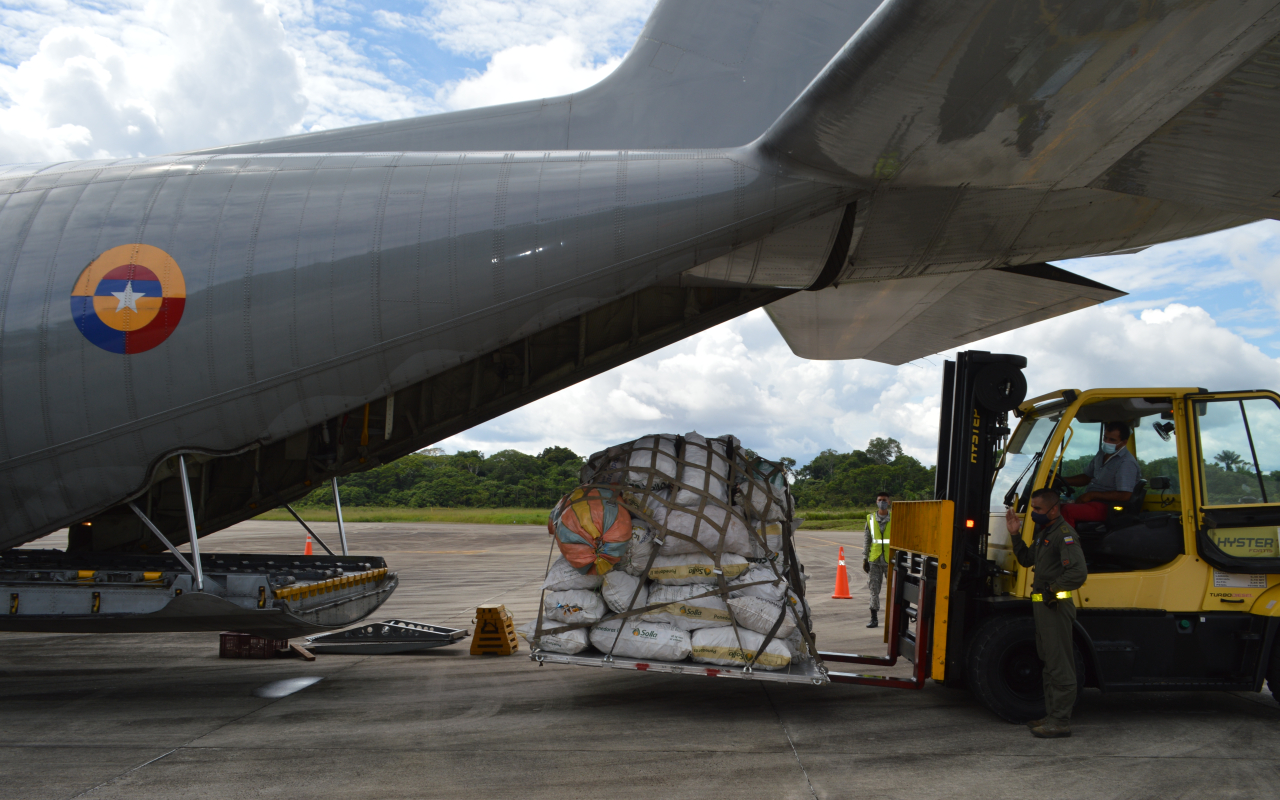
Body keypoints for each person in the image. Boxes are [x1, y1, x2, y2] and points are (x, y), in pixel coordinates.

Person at [1005, 488, 1088, 738]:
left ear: (1053, 509)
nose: (1034, 513)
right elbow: (1027, 559)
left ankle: (1060, 721)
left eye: (1038, 509)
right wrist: (1015, 535)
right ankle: (1052, 716)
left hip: (1056, 607)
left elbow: (1078, 573)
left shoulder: (1065, 535)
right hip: (1043, 607)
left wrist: (1053, 589)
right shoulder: (1045, 534)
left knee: (1060, 664)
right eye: (1033, 509)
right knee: (1049, 663)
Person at [1059, 422, 1140, 527]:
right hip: (1092, 503)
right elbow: (1087, 477)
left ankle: (1067, 542)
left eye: (1112, 440)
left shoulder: (1126, 462)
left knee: (1067, 511)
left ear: (1124, 442)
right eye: (1105, 438)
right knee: (1052, 509)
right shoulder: (1102, 454)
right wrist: (1060, 480)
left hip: (1108, 507)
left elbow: (1125, 495)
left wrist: (1091, 495)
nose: (1106, 442)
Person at [863, 491, 891, 629]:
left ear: (889, 502)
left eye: (884, 500)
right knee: (874, 590)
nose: (882, 502)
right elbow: (867, 540)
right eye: (880, 499)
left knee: (894, 590)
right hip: (874, 560)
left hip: (891, 560)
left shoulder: (895, 518)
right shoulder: (870, 518)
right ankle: (874, 618)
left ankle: (893, 618)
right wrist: (865, 558)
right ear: (876, 502)